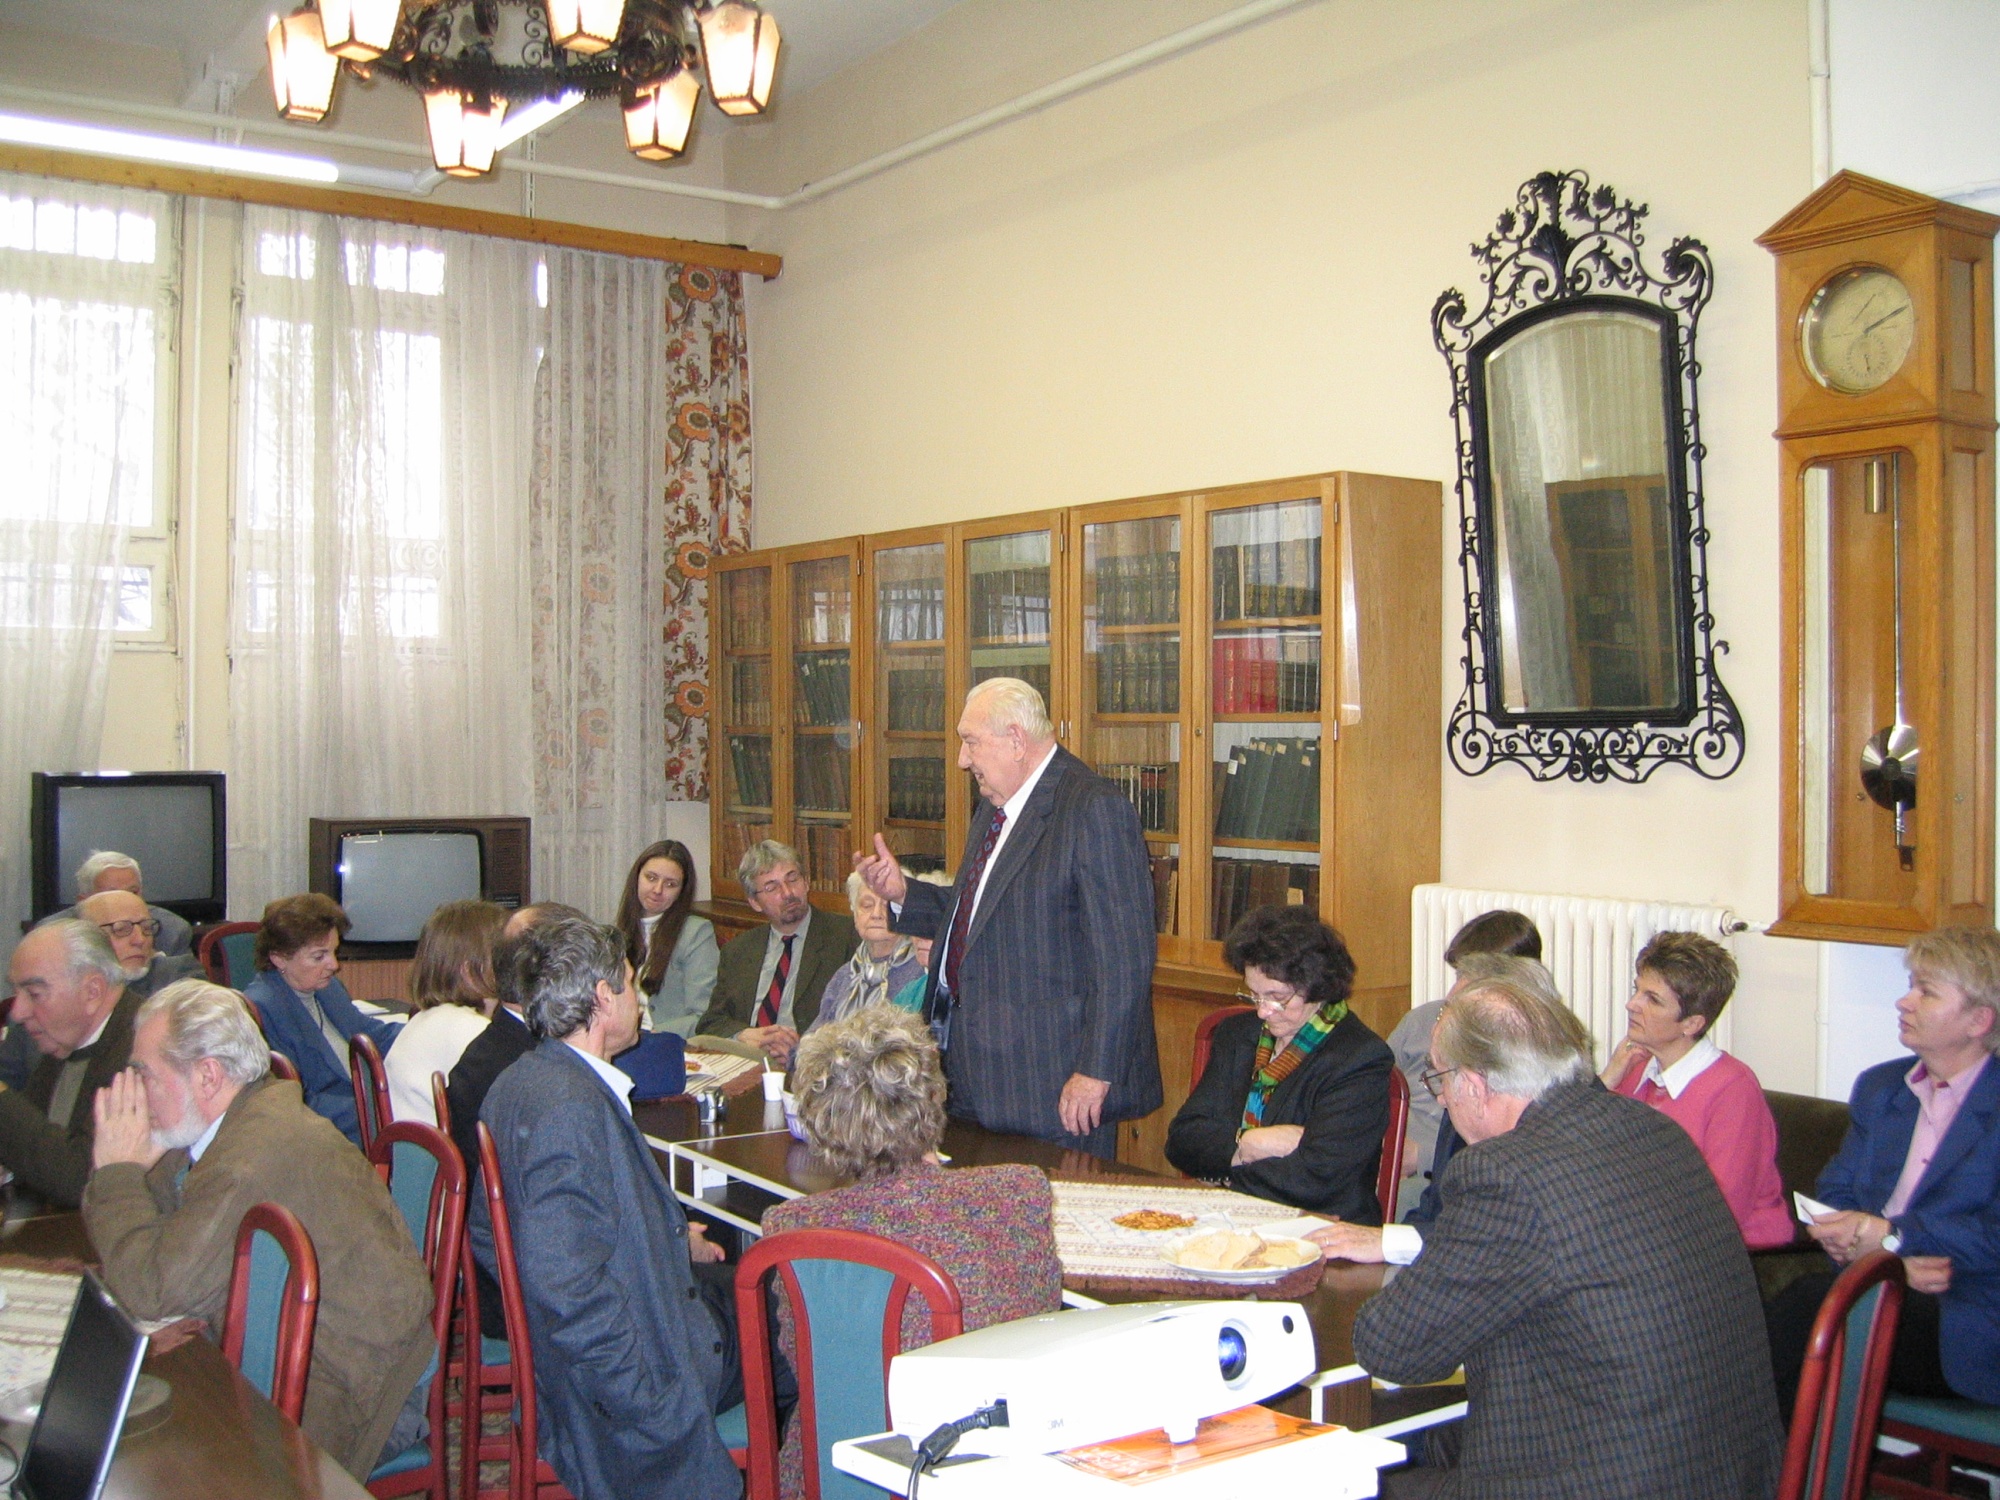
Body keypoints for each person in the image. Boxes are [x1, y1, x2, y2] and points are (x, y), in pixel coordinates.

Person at [1350, 977, 1782, 1499]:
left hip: (1604, 1477)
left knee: (1339, 1481)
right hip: (1722, 1470)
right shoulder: (1651, 1128)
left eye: (1439, 1080)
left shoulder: (1506, 1173)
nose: (1441, 1102)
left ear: (1476, 1084)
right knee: (1415, 1441)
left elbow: (1394, 1349)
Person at [82, 979, 435, 1481]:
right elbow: (142, 1250)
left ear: (207, 1076)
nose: (134, 1089)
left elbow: (152, 1291)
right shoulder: (225, 1121)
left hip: (363, 1388)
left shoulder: (251, 1155)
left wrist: (117, 1172)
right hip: (308, 1353)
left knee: (141, 1457)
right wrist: (129, 1167)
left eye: (144, 1073)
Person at [479, 914, 742, 1500]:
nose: (640, 998)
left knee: (746, 1281)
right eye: (630, 982)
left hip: (598, 1344)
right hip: (638, 1380)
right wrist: (646, 1400)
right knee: (798, 1315)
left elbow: (487, 1234)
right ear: (603, 997)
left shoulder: (518, 1081)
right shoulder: (571, 1109)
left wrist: (670, 1241)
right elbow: (567, 1287)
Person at [764, 1005, 1063, 1500]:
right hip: (995, 1475)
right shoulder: (1019, 1193)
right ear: (933, 1097)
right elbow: (1043, 1333)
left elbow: (807, 1369)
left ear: (822, 1123)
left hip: (846, 1474)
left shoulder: (795, 1229)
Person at [854, 678, 1161, 1157]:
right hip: (969, 1070)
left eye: (970, 741)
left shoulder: (1092, 808)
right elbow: (981, 918)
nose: (962, 759)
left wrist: (1095, 1072)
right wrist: (902, 894)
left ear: (1016, 739)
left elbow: (1124, 958)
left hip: (1052, 1086)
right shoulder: (995, 808)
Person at [1767, 927, 2000, 1412]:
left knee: (1807, 1309)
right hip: (1885, 1287)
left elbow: (1991, 1236)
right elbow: (1835, 1191)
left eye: (1926, 992)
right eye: (1911, 985)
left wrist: (1893, 1239)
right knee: (1789, 1319)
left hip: (1970, 1318)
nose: (1903, 1001)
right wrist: (1884, 1263)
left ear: (1979, 1020)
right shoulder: (1882, 1088)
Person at [1308, 955, 1559, 1265]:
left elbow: (1490, 1245)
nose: (1438, 1026)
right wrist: (1386, 1244)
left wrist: (1390, 1244)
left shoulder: (1557, 1128)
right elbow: (1431, 1211)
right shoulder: (1460, 1093)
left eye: (1455, 1015)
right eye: (1445, 1010)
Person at [1165, 906, 1392, 1219]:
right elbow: (1182, 1141)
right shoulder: (1237, 1035)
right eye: (1254, 995)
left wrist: (1224, 1171)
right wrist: (1248, 1142)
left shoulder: (1359, 1058)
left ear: (1316, 986)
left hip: (1324, 1227)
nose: (1263, 1011)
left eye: (1277, 997)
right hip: (1235, 1214)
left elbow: (1315, 1180)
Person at [1600, 930, 1791, 1249]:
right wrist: (1605, 1082)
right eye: (1637, 990)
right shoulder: (1634, 1065)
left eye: (1652, 999)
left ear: (1691, 1024)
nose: (1631, 1004)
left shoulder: (1733, 1090)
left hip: (1729, 1253)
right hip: (1644, 1239)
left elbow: (1719, 1211)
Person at [445, 901, 584, 1340]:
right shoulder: (533, 1073)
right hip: (525, 1297)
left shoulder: (498, 1046)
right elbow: (565, 1230)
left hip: (496, 1274)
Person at [1386, 910, 1540, 1215]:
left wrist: (1422, 1156)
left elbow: (1516, 1145)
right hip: (1388, 1153)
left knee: (1399, 1205)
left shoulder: (1526, 1045)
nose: (1454, 993)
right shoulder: (1421, 1020)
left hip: (1440, 1173)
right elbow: (1373, 1086)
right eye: (1459, 975)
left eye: (1475, 981)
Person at [0, 921, 142, 1208]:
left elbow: (83, 1180)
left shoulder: (142, 1052)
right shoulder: (67, 1039)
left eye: (34, 994)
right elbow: (33, 1142)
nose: (17, 1012)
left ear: (92, 991)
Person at [242, 894, 403, 1147]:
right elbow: (298, 1100)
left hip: (372, 1102)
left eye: (334, 952)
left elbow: (370, 1033)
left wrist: (425, 1030)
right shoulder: (262, 1009)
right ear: (279, 958)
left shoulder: (328, 988)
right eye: (319, 957)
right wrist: (378, 1107)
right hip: (333, 1133)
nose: (334, 965)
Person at [695, 841, 858, 1068]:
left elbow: (857, 1024)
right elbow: (711, 1023)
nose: (788, 893)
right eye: (772, 887)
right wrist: (743, 1035)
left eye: (792, 879)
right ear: (754, 902)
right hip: (747, 1063)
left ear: (806, 882)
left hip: (811, 1067)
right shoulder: (738, 951)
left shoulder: (847, 937)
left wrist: (803, 1049)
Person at [385, 899, 505, 1125]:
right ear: (470, 971)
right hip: (443, 1147)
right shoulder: (470, 1031)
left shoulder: (430, 1018)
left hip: (415, 1145)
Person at [614, 839, 719, 1037]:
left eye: (670, 884)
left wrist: (652, 1036)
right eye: (651, 878)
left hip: (665, 1039)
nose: (658, 890)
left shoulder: (696, 933)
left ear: (682, 891)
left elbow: (704, 1015)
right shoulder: (618, 932)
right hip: (623, 1038)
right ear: (636, 878)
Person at [805, 870, 927, 1035]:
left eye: (888, 906)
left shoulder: (921, 972)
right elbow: (816, 1037)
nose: (876, 914)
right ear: (854, 912)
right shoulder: (844, 975)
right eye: (867, 905)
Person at [46, 850, 193, 957]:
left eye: (133, 892)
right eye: (113, 895)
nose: (126, 901)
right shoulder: (52, 936)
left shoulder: (171, 932)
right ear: (83, 902)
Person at [79, 888, 203, 1000]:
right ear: (86, 938)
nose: (140, 940)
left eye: (147, 928)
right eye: (121, 930)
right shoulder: (71, 984)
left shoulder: (177, 976)